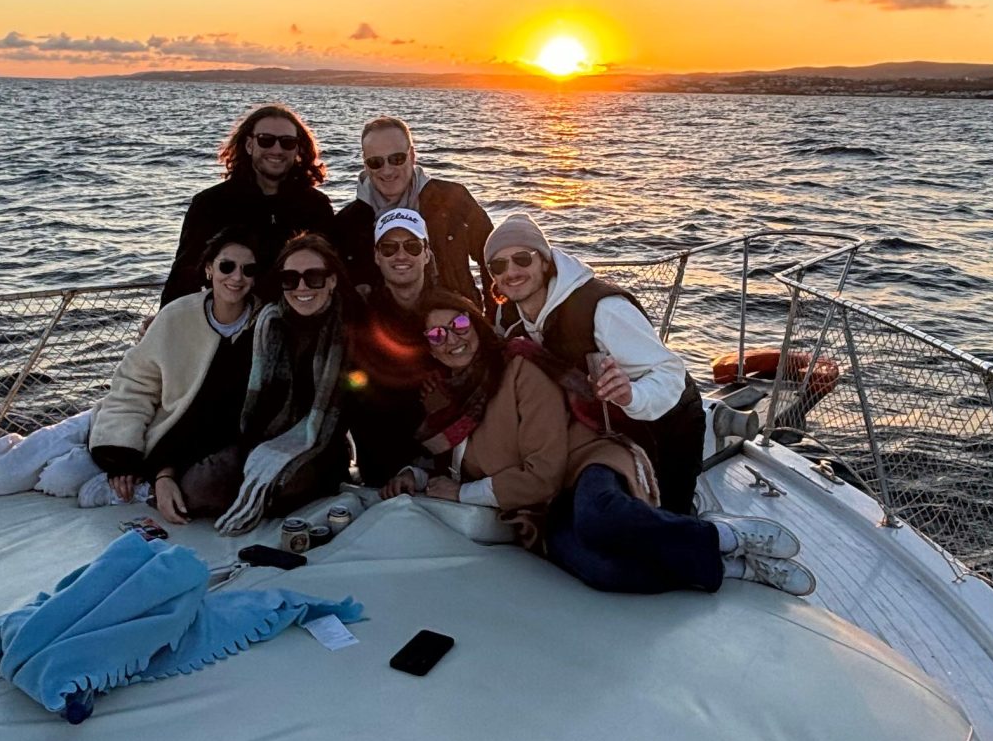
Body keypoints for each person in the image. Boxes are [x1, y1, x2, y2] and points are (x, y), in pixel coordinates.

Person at [391, 291, 810, 595]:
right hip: (541, 507)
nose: (452, 339)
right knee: (602, 570)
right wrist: (416, 475)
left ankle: (722, 536)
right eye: (437, 334)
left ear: (476, 325)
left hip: (582, 459)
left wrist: (464, 494)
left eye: (459, 325)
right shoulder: (441, 399)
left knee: (600, 516)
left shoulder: (516, 367)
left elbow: (544, 472)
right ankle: (733, 567)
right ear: (428, 346)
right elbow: (450, 461)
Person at [0, 233, 265, 519]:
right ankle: (87, 452)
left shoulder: (263, 330)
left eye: (248, 270)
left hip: (163, 439)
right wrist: (121, 454)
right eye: (227, 266)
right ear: (210, 269)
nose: (237, 277)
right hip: (119, 419)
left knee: (61, 480)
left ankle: (107, 472)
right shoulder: (177, 316)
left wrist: (157, 467)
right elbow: (134, 386)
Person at [483, 212, 710, 516]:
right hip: (606, 433)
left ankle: (717, 532)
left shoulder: (602, 308)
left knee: (667, 518)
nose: (511, 271)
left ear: (545, 262)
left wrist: (631, 395)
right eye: (498, 265)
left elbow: (669, 373)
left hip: (669, 424)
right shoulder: (509, 319)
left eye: (522, 259)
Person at [212, 232, 355, 533]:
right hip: (256, 440)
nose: (302, 287)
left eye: (314, 277)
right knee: (198, 489)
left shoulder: (351, 331)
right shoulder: (265, 325)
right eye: (290, 279)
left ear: (332, 281)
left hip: (319, 448)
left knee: (282, 490)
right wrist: (166, 470)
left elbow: (371, 406)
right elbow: (222, 397)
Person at [161, 105, 334, 305]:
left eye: (287, 142)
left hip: (297, 315)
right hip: (232, 318)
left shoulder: (316, 206)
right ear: (249, 145)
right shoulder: (211, 203)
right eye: (266, 140)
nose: (277, 150)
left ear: (297, 148)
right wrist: (167, 318)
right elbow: (185, 273)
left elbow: (332, 270)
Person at [329, 115, 493, 300]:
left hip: (457, 314)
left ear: (413, 156)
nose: (387, 170)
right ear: (365, 164)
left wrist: (495, 313)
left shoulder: (452, 199)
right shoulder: (346, 224)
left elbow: (493, 258)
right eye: (376, 162)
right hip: (383, 317)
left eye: (397, 159)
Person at [340, 207, 438, 488]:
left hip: (445, 459)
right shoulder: (360, 316)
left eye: (412, 246)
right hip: (380, 464)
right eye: (389, 247)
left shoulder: (450, 311)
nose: (401, 255)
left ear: (426, 254)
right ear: (376, 256)